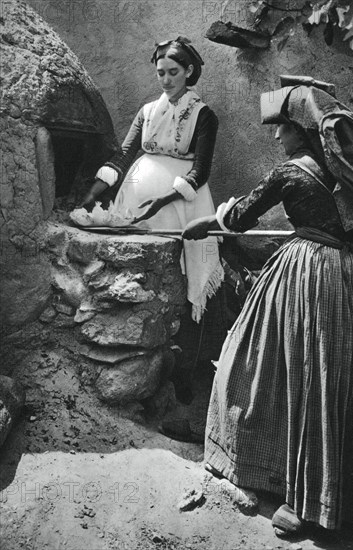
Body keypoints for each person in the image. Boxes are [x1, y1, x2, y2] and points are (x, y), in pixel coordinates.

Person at [182, 76, 353, 535]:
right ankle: (346, 494)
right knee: (338, 379)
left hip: (306, 276)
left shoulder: (291, 172)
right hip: (350, 278)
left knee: (278, 369)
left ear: (301, 131)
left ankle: (307, 505)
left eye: (280, 127)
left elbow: (242, 215)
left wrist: (208, 220)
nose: (275, 135)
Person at [80, 37, 226, 405]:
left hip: (183, 206)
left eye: (173, 72)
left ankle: (186, 370)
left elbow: (200, 171)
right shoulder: (147, 112)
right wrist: (95, 191)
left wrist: (163, 198)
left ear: (189, 71)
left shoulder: (204, 115)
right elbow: (123, 155)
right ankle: (149, 364)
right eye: (160, 73)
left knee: (188, 280)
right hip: (138, 202)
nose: (165, 80)